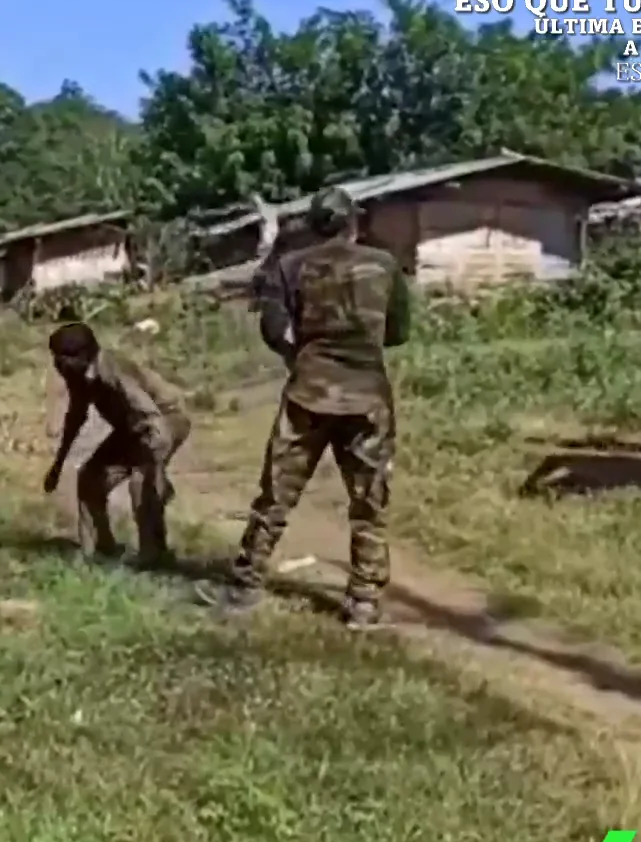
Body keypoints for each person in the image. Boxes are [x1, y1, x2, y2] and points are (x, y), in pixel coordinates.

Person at [199, 185, 411, 629]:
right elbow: (397, 334)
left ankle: (245, 587)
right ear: (353, 222)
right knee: (369, 501)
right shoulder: (386, 264)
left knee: (276, 495)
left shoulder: (291, 266)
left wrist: (301, 356)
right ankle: (364, 602)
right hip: (367, 396)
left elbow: (274, 328)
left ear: (315, 225)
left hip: (307, 395)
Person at [42, 321, 191, 569]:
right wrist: (57, 466)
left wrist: (153, 467)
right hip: (131, 428)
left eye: (63, 358)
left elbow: (151, 417)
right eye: (55, 358)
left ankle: (153, 555)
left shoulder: (115, 373)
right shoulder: (77, 374)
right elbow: (76, 417)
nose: (58, 365)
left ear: (84, 356)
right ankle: (99, 549)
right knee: (90, 477)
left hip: (164, 420)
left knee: (141, 484)